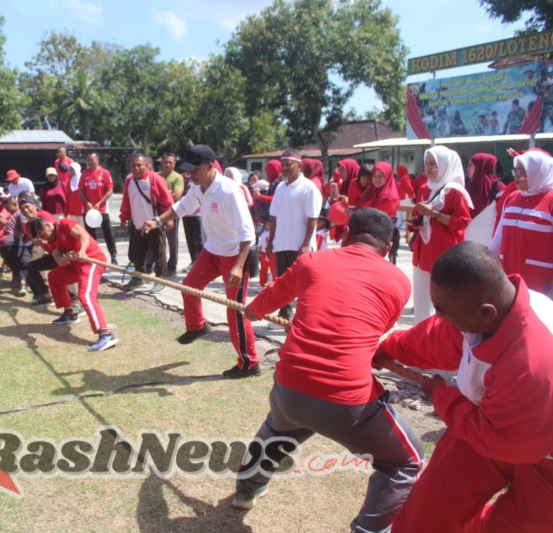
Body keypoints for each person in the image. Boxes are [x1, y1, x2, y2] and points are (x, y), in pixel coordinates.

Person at [232, 209, 423, 533]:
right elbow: (371, 331)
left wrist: (259, 311)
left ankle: (246, 490)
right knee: (406, 462)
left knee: (278, 428)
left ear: (346, 234)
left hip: (291, 386)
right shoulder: (400, 282)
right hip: (347, 401)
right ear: (389, 248)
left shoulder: (312, 261)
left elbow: (255, 310)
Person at [374, 242, 553, 532]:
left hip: (534, 452)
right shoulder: (486, 312)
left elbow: (503, 441)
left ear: (486, 313)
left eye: (444, 312)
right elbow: (435, 338)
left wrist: (441, 396)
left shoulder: (531, 366)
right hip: (486, 426)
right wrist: (387, 348)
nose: (441, 317)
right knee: (427, 513)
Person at [142, 145, 259, 379]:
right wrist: (156, 220)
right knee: (189, 287)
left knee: (235, 311)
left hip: (235, 254)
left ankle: (249, 363)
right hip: (212, 250)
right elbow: (181, 208)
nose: (190, 174)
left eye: (194, 169)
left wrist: (238, 266)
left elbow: (248, 233)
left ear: (210, 166)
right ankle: (197, 326)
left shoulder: (229, 191)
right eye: (187, 170)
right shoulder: (197, 188)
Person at [29, 217, 119, 352]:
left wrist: (82, 251)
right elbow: (59, 262)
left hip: (92, 261)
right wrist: (67, 258)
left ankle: (105, 334)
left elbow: (83, 235)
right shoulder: (51, 241)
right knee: (54, 277)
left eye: (42, 234)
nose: (43, 239)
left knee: (86, 295)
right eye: (40, 237)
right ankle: (69, 314)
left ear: (47, 225)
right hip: (77, 265)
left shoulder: (64, 224)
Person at [408, 146, 472, 323]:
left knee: (444, 300)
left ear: (445, 165)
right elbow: (419, 213)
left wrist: (435, 215)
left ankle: (442, 334)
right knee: (421, 299)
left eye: (433, 164)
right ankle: (422, 333)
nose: (428, 168)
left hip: (444, 253)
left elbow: (462, 222)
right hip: (423, 252)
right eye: (427, 163)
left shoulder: (455, 192)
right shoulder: (424, 188)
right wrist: (416, 222)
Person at [266, 148, 322, 321]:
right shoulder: (280, 188)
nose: (284, 168)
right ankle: (285, 314)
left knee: (303, 284)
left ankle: (305, 318)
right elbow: (274, 216)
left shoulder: (309, 187)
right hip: (281, 244)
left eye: (288, 164)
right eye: (282, 165)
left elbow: (313, 217)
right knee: (282, 281)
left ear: (299, 166)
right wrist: (271, 241)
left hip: (299, 245)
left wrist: (305, 244)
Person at [489, 149, 553, 297]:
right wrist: (481, 262)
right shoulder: (511, 198)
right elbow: (498, 240)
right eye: (515, 171)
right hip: (510, 280)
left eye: (521, 172)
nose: (516, 176)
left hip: (542, 284)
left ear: (537, 172)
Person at [119, 153, 173, 293]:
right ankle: (138, 278)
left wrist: (169, 219)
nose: (136, 168)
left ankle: (161, 280)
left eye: (139, 165)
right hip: (138, 224)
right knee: (138, 253)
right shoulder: (129, 181)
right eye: (133, 165)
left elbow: (167, 201)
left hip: (154, 224)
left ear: (146, 166)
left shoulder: (156, 180)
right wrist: (124, 217)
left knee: (159, 253)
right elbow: (126, 201)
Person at [79, 152, 119, 265]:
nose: (90, 162)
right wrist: (87, 202)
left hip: (102, 209)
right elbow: (80, 191)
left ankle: (113, 255)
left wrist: (100, 203)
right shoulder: (84, 174)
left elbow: (110, 190)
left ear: (97, 159)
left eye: (92, 160)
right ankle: (94, 256)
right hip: (88, 210)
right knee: (90, 234)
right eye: (88, 160)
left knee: (108, 232)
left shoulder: (105, 173)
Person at [464, 153, 505, 246]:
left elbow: (503, 215)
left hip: (490, 245)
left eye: (470, 165)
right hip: (467, 244)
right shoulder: (467, 188)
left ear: (480, 166)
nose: (467, 168)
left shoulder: (498, 188)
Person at [161, 152, 184, 276]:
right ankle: (159, 265)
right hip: (159, 213)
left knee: (172, 241)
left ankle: (172, 266)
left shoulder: (177, 178)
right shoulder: (157, 176)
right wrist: (169, 192)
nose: (168, 164)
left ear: (174, 164)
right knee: (159, 240)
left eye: (170, 162)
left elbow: (177, 195)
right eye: (165, 162)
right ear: (162, 163)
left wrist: (162, 193)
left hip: (172, 212)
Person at [65, 161, 86, 227]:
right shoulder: (69, 182)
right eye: (70, 170)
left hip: (82, 211)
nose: (71, 172)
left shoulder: (83, 179)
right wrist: (66, 213)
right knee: (75, 229)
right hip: (72, 211)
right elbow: (68, 198)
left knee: (84, 230)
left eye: (73, 170)